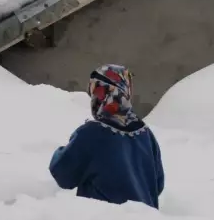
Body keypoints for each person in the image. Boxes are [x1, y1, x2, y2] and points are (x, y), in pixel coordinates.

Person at [49, 64, 165, 208]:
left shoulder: (91, 133)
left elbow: (63, 175)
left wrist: (61, 151)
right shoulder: (145, 134)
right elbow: (157, 185)